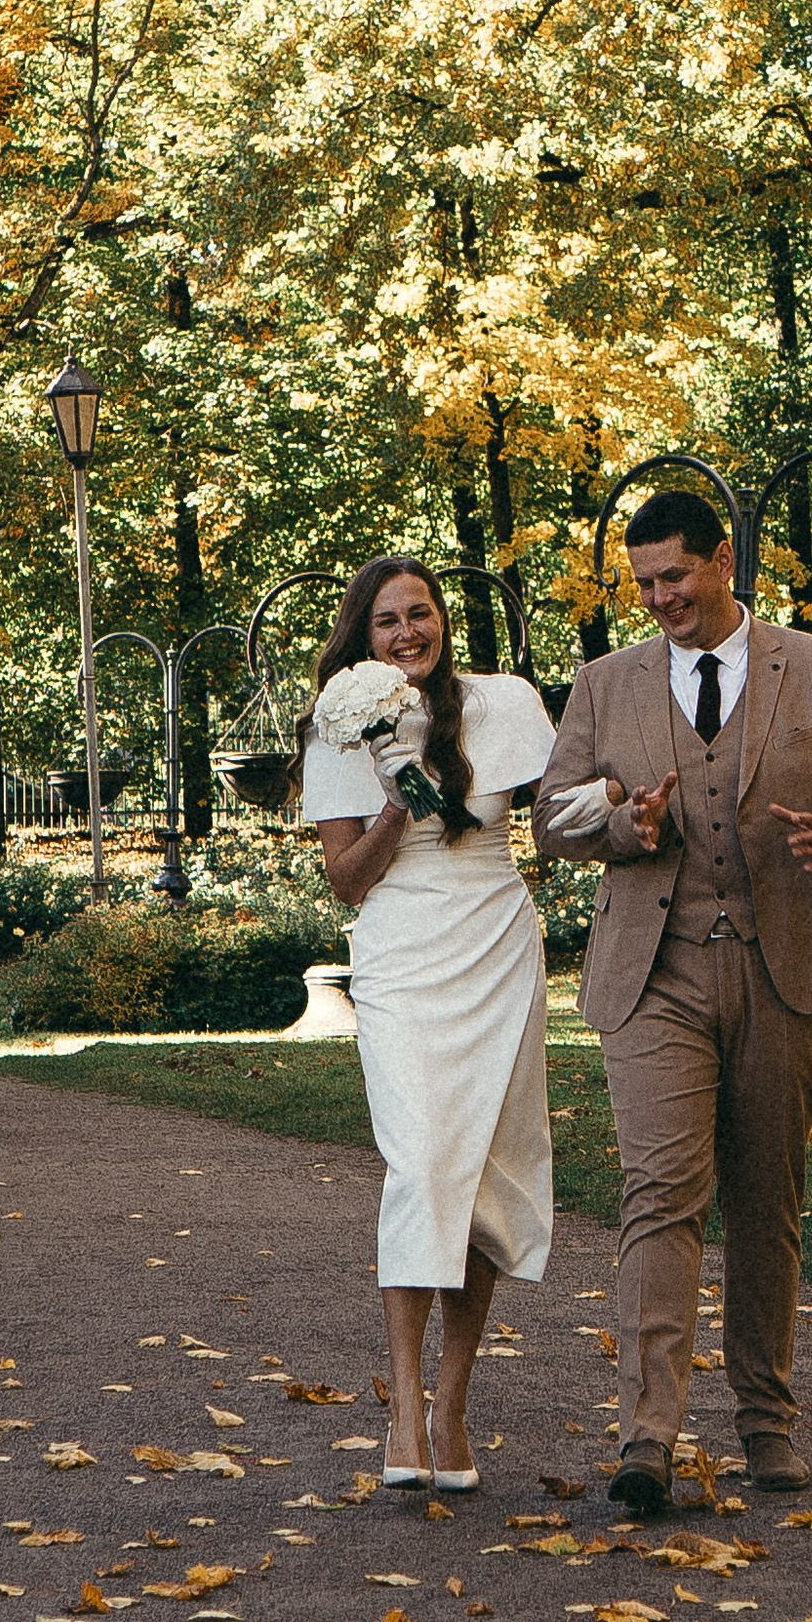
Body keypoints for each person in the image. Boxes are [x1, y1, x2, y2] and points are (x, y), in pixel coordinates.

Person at [533, 491, 812, 1516]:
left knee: (764, 1201)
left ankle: (765, 1423)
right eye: (644, 583)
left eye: (675, 578)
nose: (659, 599)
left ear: (723, 561)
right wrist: (620, 823)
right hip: (656, 970)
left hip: (785, 964)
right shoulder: (607, 682)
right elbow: (554, 816)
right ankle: (646, 1436)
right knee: (660, 1194)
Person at [297, 556, 558, 1493]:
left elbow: (559, 819)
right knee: (422, 1167)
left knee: (483, 1170)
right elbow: (346, 879)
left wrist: (621, 807)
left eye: (423, 614)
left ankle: (453, 1408)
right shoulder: (339, 720)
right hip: (403, 951)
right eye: (387, 622)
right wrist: (390, 807)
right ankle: (404, 1408)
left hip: (493, 940)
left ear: (445, 620)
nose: (409, 632)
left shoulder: (504, 702)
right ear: (361, 638)